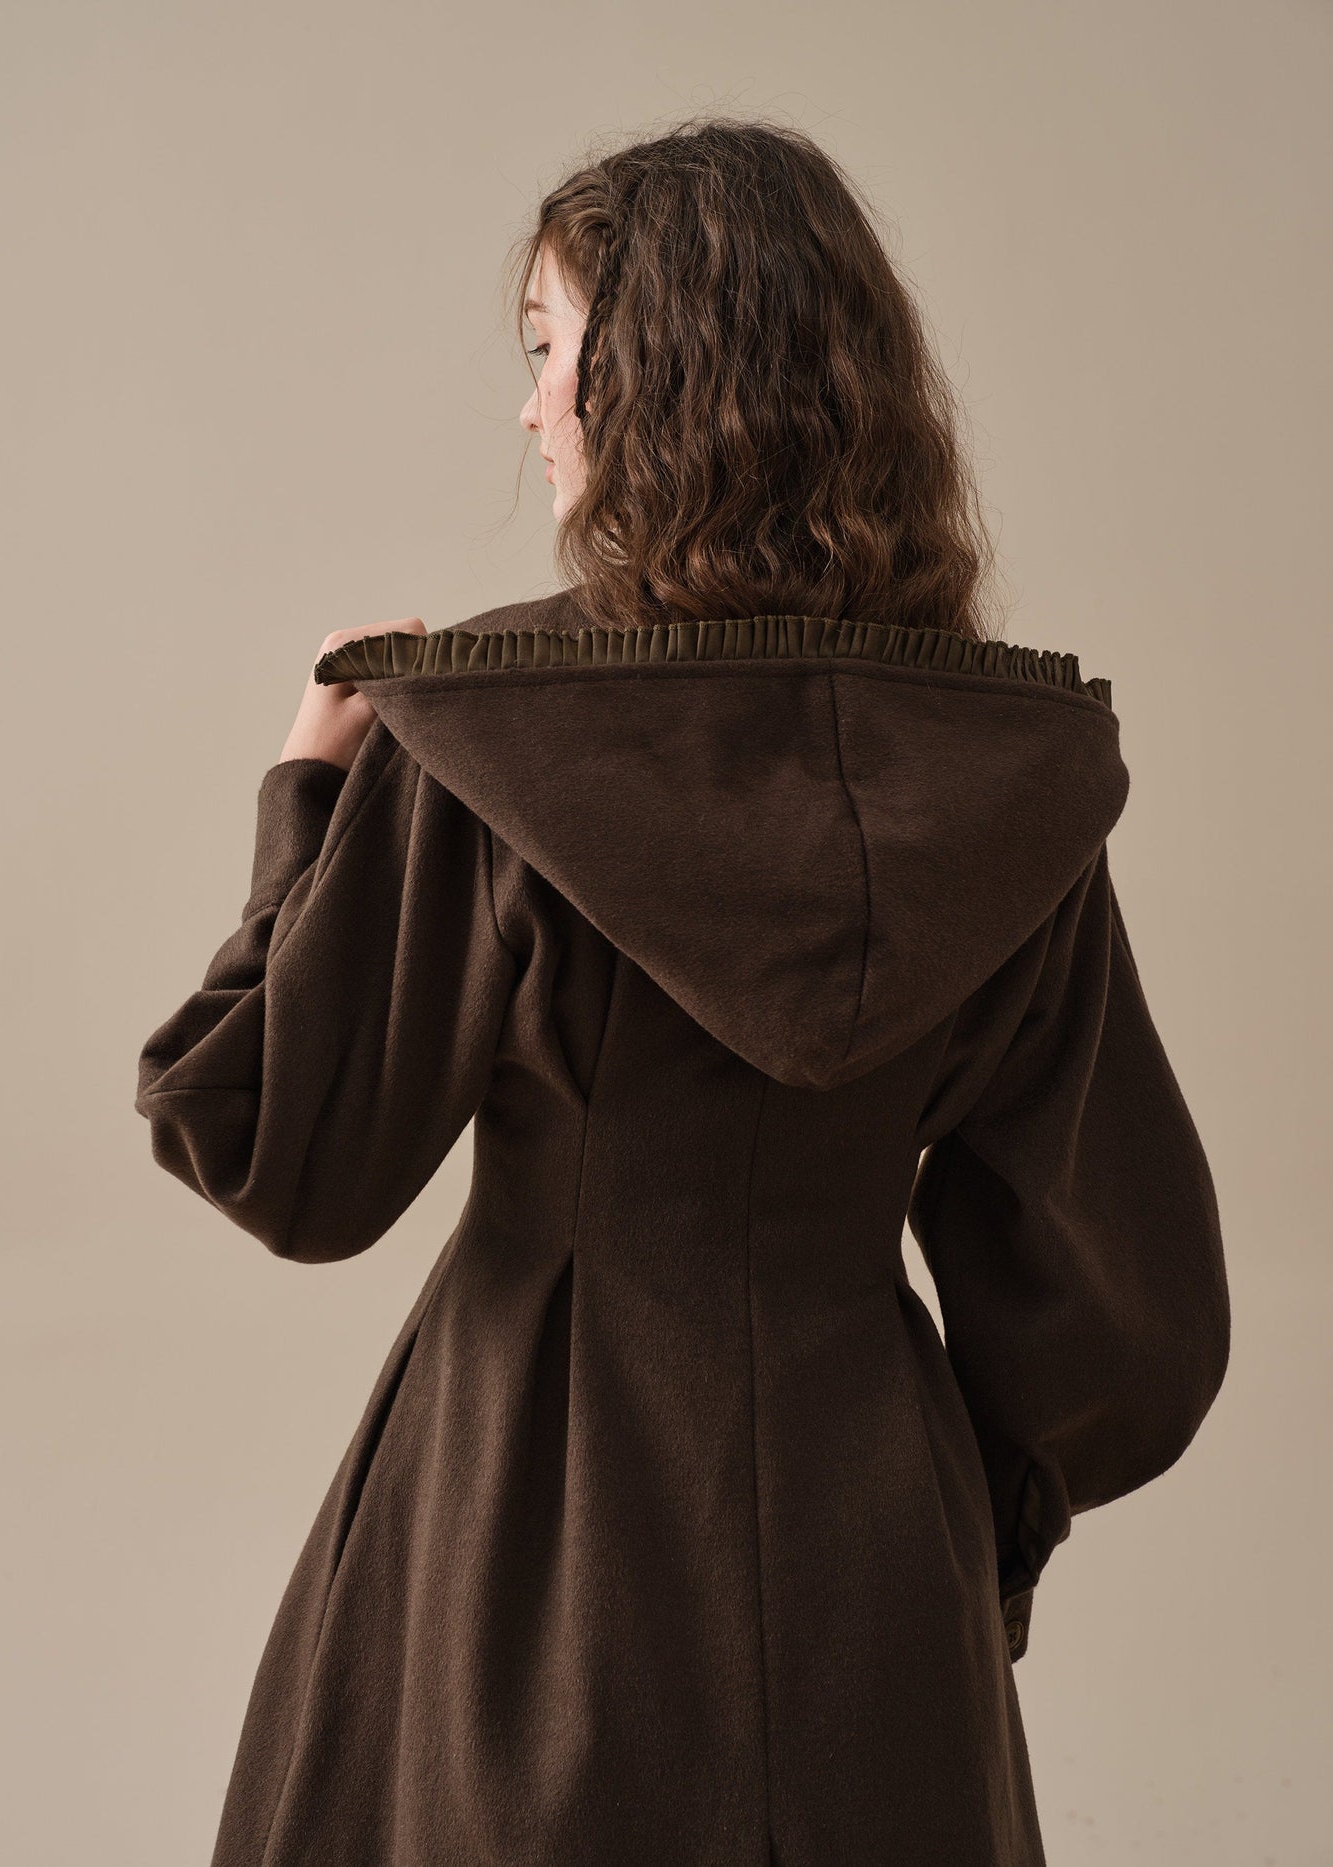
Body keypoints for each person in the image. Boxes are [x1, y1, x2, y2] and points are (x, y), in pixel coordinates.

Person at [135, 116, 1231, 1867]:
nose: (531, 410)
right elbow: (1120, 1310)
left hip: (523, 1551)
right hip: (874, 1554)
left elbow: (278, 1146)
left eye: (547, 350)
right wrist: (980, 1523)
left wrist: (307, 799)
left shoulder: (493, 733)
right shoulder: (1004, 769)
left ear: (653, 378)